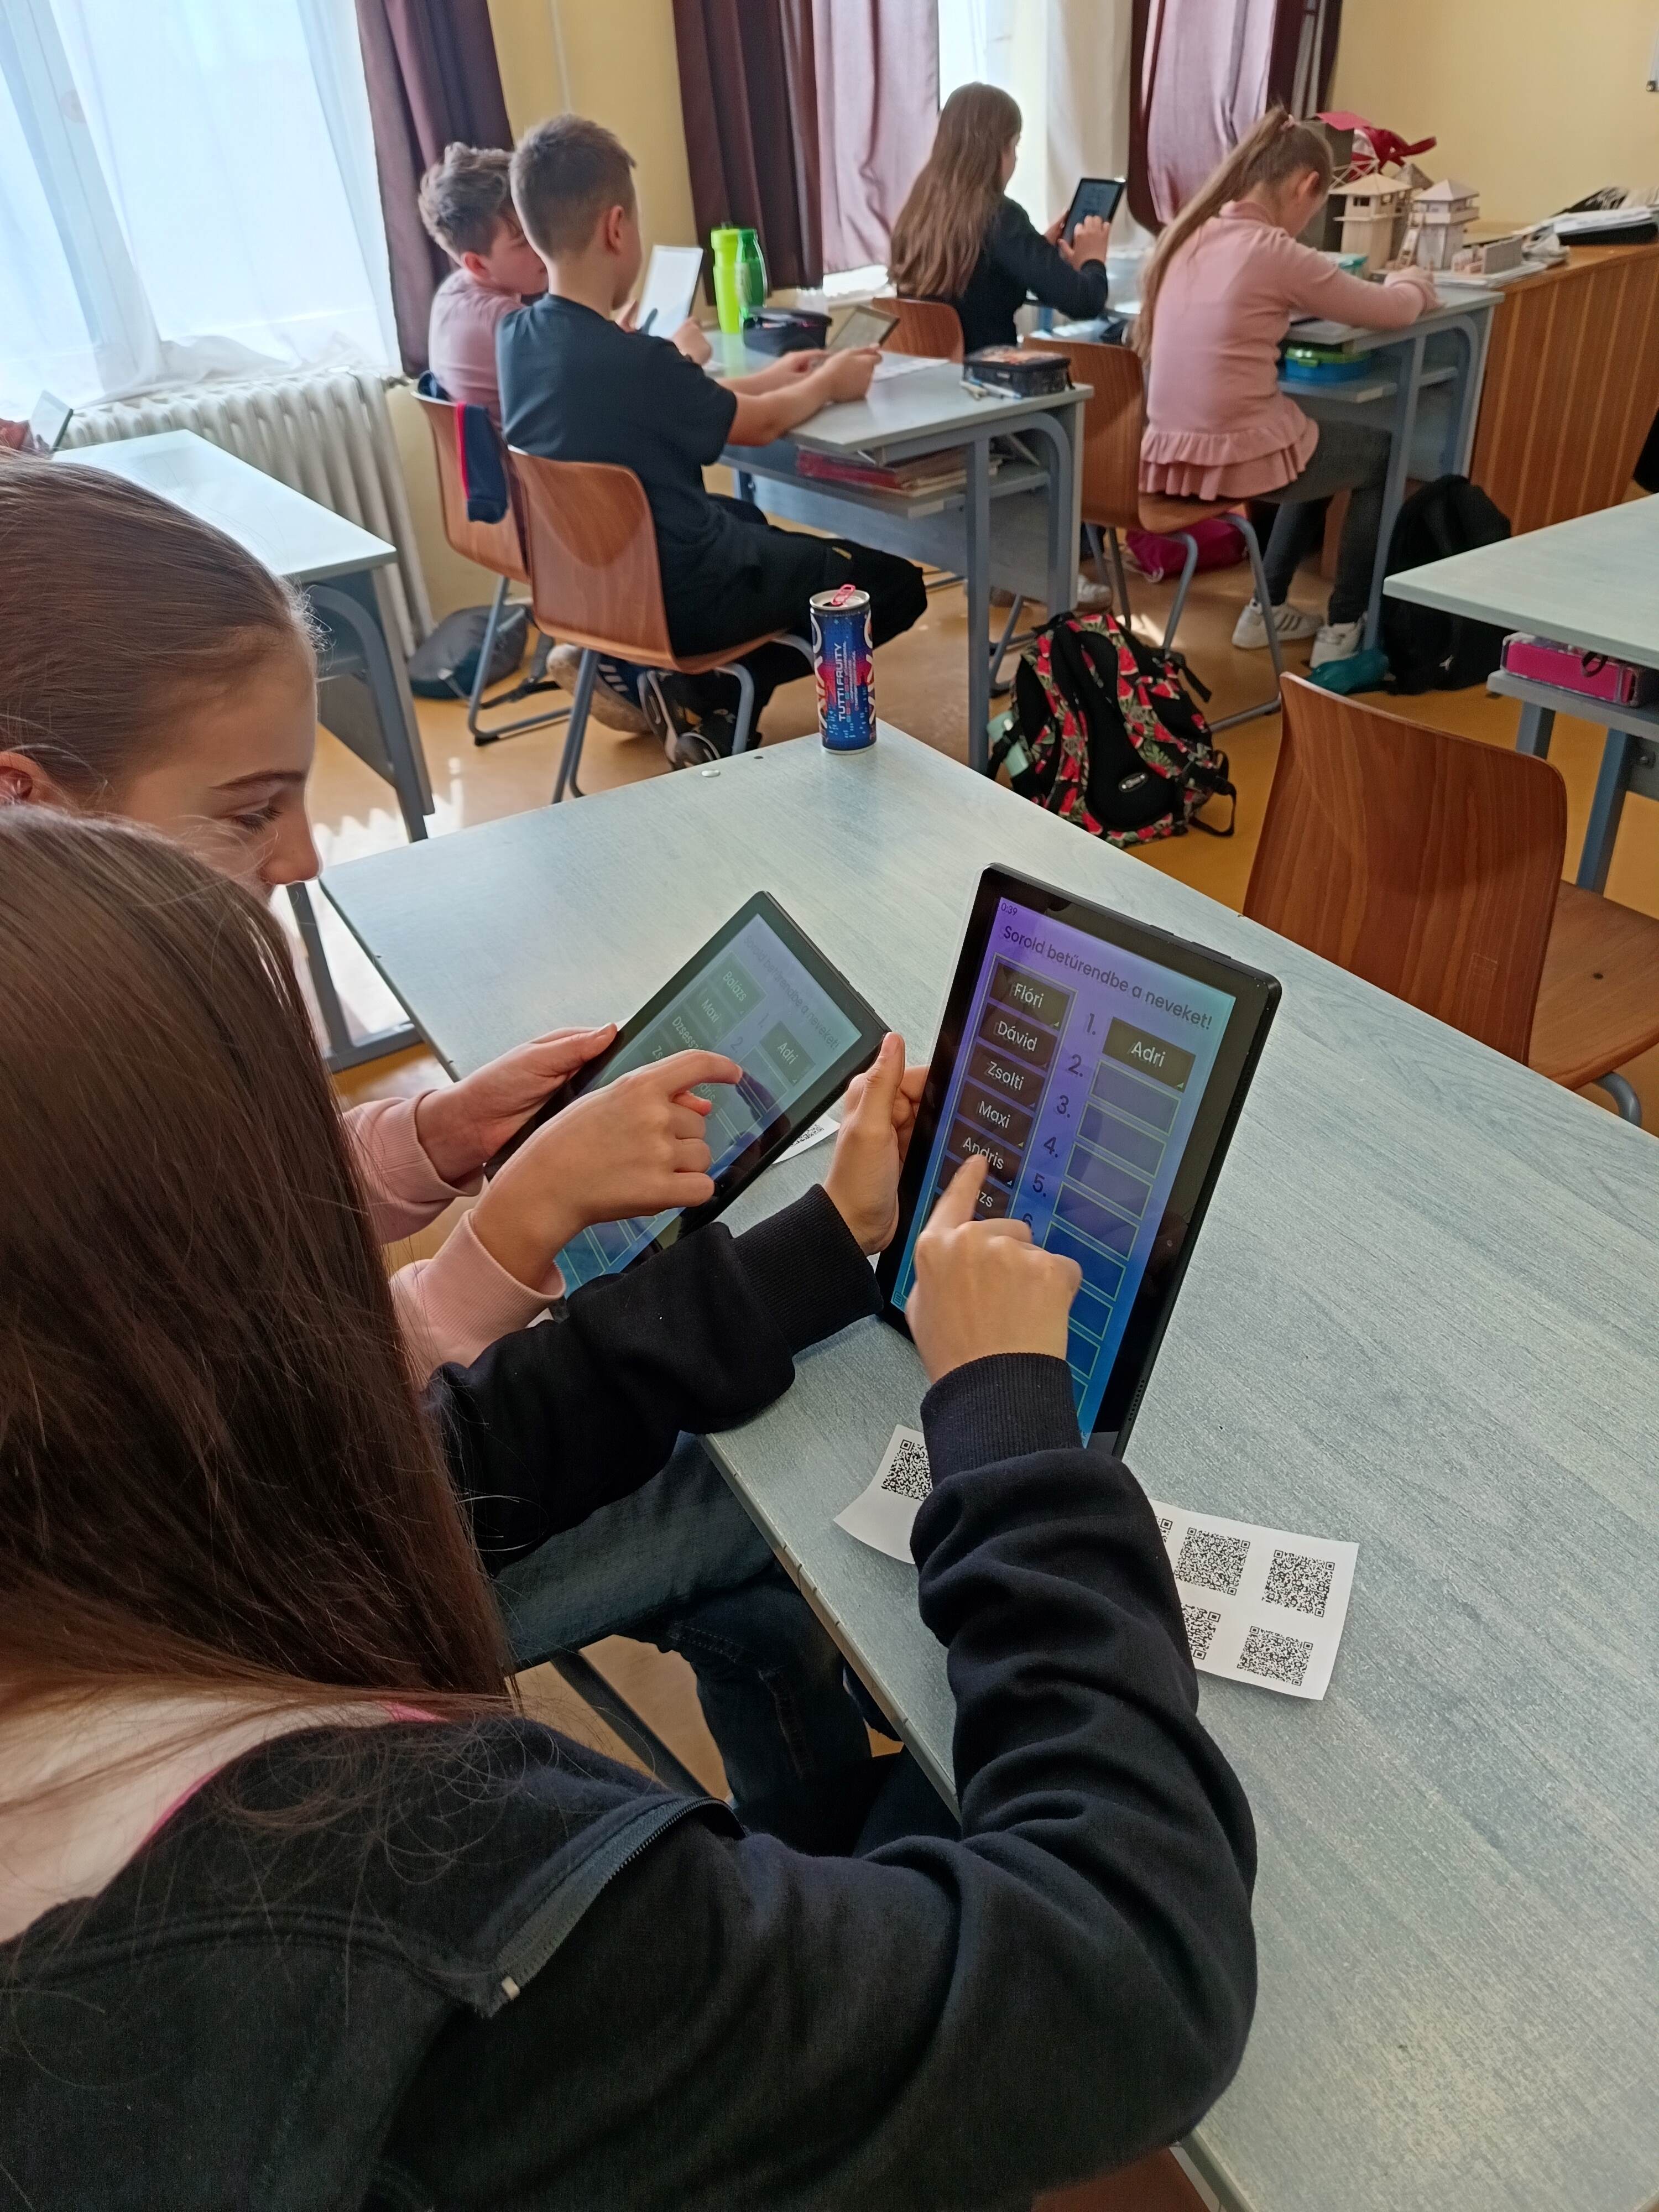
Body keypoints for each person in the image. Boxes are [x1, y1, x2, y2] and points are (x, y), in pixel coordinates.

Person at [0, 806, 1257, 2207]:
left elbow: (460, 1445)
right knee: (928, 1756)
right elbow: (1128, 1977)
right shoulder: (429, 1909)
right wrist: (1014, 1431)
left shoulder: (93, 1543)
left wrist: (823, 1241)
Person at [0, 457, 888, 1828]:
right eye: (249, 809)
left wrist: (427, 1139)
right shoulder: (55, 1104)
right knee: (744, 1488)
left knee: (713, 1500)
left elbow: (242, 1204)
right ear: (32, 801)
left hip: (304, 1519)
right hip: (285, 1596)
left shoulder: (74, 1009)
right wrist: (504, 1241)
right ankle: (821, 1833)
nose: (303, 855)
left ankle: (801, 1789)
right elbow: (302, 1444)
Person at [499, 115, 929, 766]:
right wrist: (829, 382)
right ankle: (712, 690)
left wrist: (776, 378)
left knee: (746, 518)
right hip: (684, 601)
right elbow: (754, 427)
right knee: (892, 584)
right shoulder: (641, 361)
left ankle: (692, 694)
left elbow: (687, 401)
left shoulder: (516, 340)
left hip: (599, 586)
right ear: (616, 227)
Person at [1136, 108, 1438, 669]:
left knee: (1307, 436)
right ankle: (1345, 623)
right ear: (1307, 185)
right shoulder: (1273, 251)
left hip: (1171, 458)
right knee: (1381, 453)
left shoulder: (1190, 236)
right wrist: (1412, 281)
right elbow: (1392, 310)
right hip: (1234, 460)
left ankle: (1266, 607)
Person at [889, 83, 1113, 357]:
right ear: (996, 151)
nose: (1015, 159)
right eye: (1014, 146)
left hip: (933, 377)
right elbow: (1085, 302)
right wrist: (1092, 259)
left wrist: (1037, 248)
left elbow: (981, 286)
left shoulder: (918, 212)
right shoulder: (1001, 217)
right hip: (990, 377)